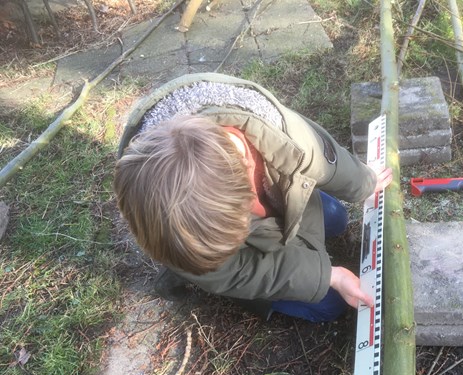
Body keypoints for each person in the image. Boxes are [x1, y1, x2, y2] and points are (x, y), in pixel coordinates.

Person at [114, 73, 392, 323]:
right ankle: (264, 294)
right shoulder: (164, 221)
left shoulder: (289, 138)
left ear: (247, 167)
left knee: (336, 218)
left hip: (286, 203)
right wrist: (330, 276)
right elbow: (233, 271)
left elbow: (332, 163)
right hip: (248, 254)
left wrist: (365, 183)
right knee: (329, 307)